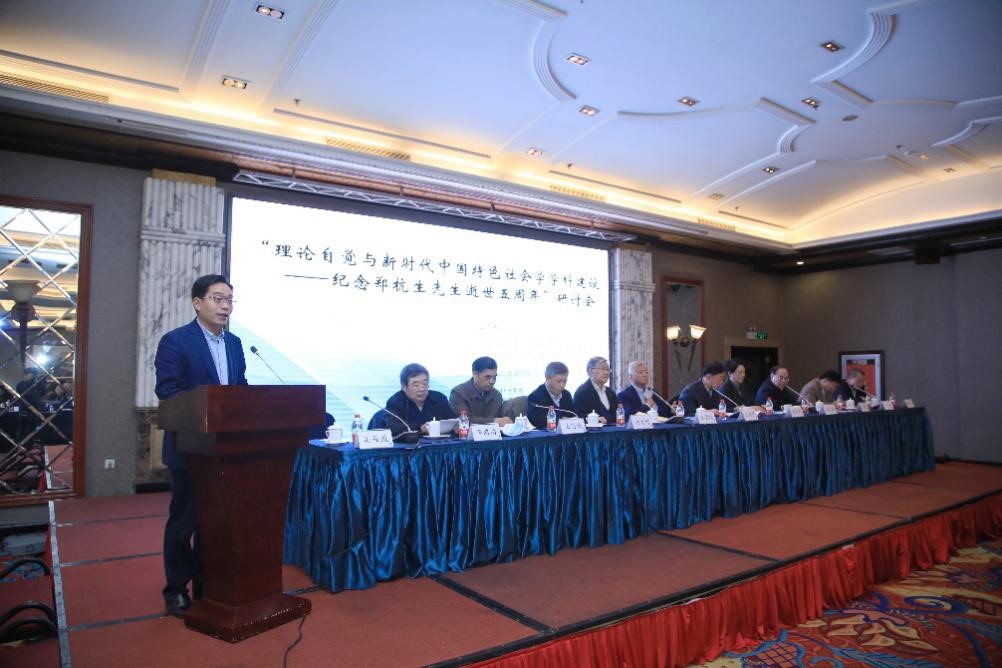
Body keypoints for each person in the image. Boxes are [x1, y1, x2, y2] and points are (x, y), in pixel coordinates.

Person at [154, 274, 247, 619]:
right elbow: (168, 391)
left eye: (230, 300)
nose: (225, 306)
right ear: (197, 303)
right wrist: (208, 408)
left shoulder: (235, 343)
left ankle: (207, 584)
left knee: (216, 523)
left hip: (225, 450)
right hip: (190, 449)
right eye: (218, 299)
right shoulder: (175, 341)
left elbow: (239, 386)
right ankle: (176, 589)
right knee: (184, 522)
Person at [378, 363, 455, 436]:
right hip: (409, 444)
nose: (422, 389)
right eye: (416, 385)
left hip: (441, 443)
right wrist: (420, 428)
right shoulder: (395, 402)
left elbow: (452, 421)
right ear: (404, 387)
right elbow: (393, 428)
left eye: (425, 383)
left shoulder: (439, 398)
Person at [449, 356, 511, 425]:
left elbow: (500, 419)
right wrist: (494, 421)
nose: (492, 381)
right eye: (487, 377)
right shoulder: (458, 393)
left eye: (494, 377)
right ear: (475, 374)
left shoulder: (496, 395)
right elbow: (463, 421)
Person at [526, 361, 575, 428]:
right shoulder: (534, 397)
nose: (562, 385)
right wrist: (563, 420)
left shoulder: (566, 394)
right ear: (547, 378)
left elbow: (573, 415)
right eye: (559, 381)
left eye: (565, 381)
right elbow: (538, 422)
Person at [572, 356, 618, 423]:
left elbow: (617, 414)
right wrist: (594, 419)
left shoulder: (610, 392)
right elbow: (577, 417)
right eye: (602, 369)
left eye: (608, 369)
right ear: (590, 371)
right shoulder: (582, 392)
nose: (606, 373)